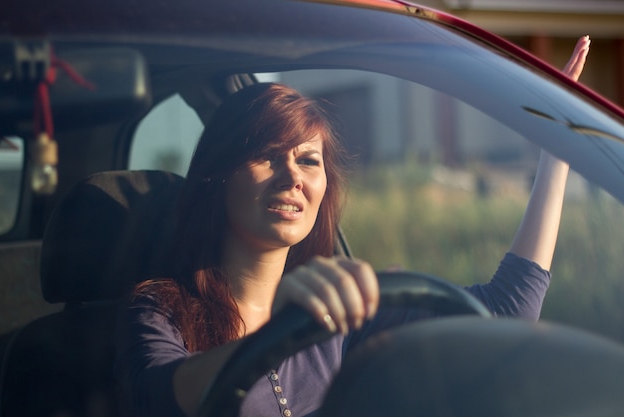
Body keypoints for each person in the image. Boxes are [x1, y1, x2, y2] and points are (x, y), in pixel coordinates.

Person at [114, 36, 590, 417]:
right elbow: (164, 396)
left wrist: (556, 153)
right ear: (217, 176)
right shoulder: (160, 309)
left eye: (308, 160)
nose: (294, 177)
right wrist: (279, 330)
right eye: (266, 155)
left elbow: (508, 312)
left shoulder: (338, 319)